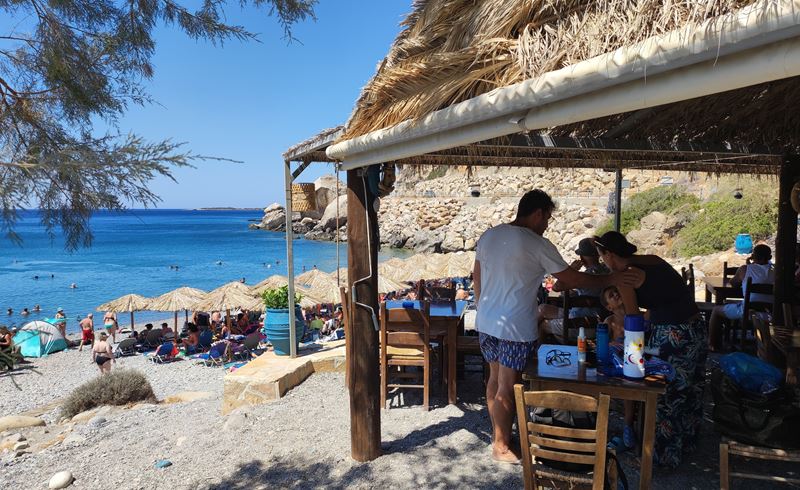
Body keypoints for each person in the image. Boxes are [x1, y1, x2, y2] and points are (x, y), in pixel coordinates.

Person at [473, 190, 641, 464]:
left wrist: (483, 310)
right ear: (537, 213)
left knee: (494, 380)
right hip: (514, 326)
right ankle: (501, 447)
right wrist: (611, 278)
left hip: (486, 322)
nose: (547, 224)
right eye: (547, 218)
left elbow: (476, 276)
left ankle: (498, 437)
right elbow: (572, 279)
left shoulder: (490, 235)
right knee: (507, 385)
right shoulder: (536, 243)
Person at [593, 230, 705, 468]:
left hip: (673, 335)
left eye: (602, 256)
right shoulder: (653, 260)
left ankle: (661, 459)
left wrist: (632, 362)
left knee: (666, 394)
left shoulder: (623, 278)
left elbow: (633, 320)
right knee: (692, 390)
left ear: (610, 255)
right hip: (697, 328)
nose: (603, 261)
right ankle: (687, 445)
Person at [539, 237, 610, 340]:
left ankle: (533, 351)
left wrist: (572, 270)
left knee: (543, 325)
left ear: (582, 257)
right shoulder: (607, 271)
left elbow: (556, 287)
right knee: (543, 309)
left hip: (580, 324)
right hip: (598, 320)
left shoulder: (583, 277)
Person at [708, 244, 774, 351]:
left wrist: (748, 266)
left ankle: (712, 344)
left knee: (716, 310)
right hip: (771, 314)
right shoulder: (776, 272)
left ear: (753, 256)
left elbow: (733, 284)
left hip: (748, 312)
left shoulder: (744, 269)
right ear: (770, 257)